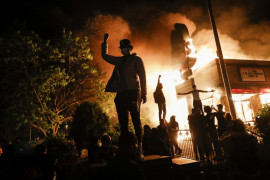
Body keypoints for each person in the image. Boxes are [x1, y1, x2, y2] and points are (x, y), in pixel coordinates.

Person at [102, 34, 147, 160]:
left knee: (136, 120)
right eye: (122, 48)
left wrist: (144, 93)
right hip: (122, 94)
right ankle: (125, 148)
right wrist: (105, 42)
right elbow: (104, 56)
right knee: (123, 123)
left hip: (134, 92)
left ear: (129, 48)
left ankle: (139, 148)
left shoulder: (137, 60)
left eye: (125, 48)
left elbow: (143, 77)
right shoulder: (119, 60)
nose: (123, 50)